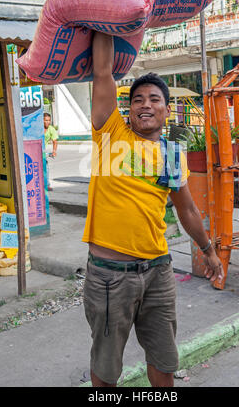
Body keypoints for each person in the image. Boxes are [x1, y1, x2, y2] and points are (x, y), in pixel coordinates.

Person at [82, 31, 224, 388]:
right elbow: (102, 73)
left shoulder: (173, 154)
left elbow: (188, 210)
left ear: (166, 108)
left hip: (158, 272)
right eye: (138, 100)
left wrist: (209, 251)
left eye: (155, 99)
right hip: (110, 275)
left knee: (164, 358)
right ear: (128, 110)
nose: (146, 105)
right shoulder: (110, 133)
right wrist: (106, 21)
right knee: (106, 365)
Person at [44, 113, 58, 191]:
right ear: (42, 120)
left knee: (46, 167)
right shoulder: (38, 127)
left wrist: (54, 151)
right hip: (35, 148)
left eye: (49, 120)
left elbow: (55, 141)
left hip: (43, 150)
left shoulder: (51, 129)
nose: (48, 122)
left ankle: (47, 185)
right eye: (46, 120)